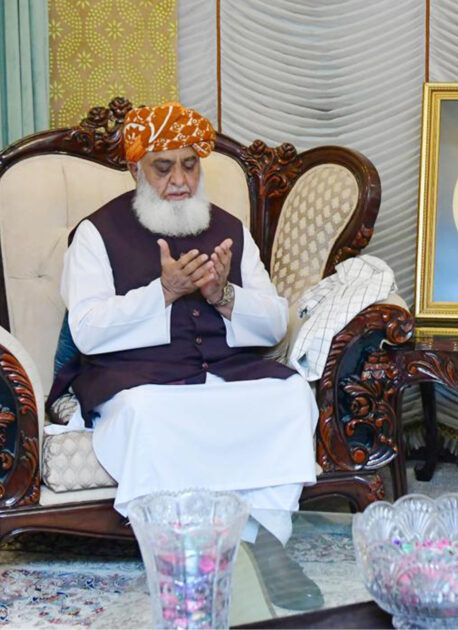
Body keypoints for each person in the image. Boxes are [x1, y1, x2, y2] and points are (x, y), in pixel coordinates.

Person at [47, 102, 319, 553]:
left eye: (190, 165)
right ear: (136, 168)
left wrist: (223, 295)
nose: (180, 180)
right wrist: (164, 292)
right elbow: (87, 330)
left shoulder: (230, 228)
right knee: (147, 412)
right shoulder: (96, 233)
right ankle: (178, 546)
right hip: (140, 382)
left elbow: (274, 324)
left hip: (224, 375)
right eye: (164, 168)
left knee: (292, 395)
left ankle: (263, 537)